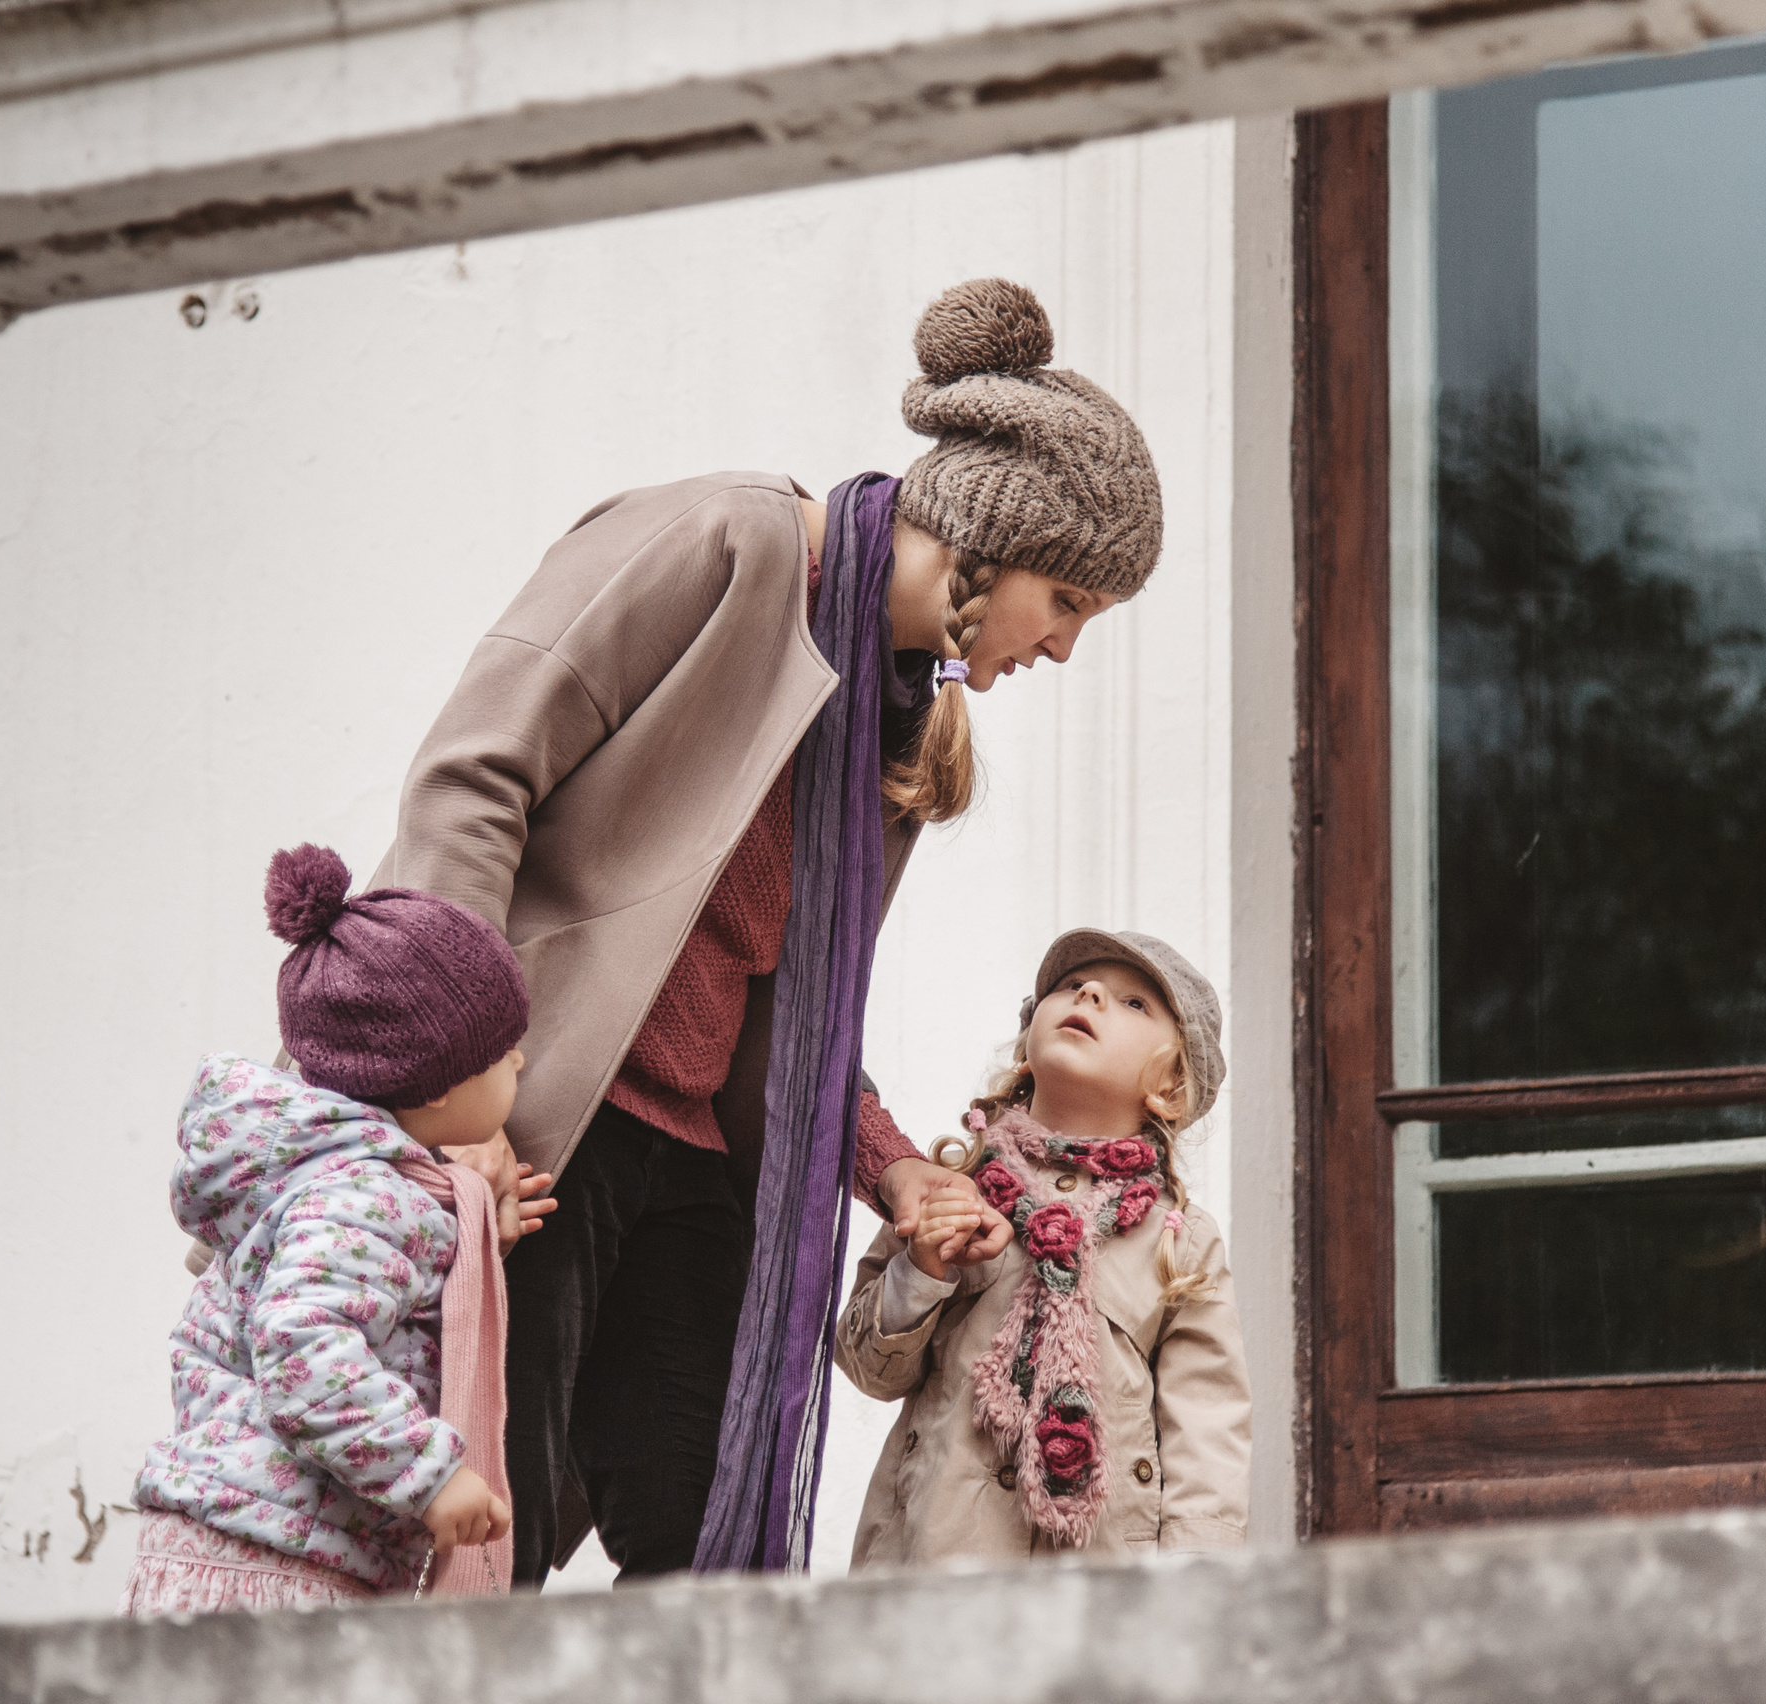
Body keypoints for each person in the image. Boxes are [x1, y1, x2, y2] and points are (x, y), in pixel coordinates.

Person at [375, 278, 1171, 1581]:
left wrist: (896, 1173)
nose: (1065, 649)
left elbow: (786, 1011)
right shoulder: (726, 540)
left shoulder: (891, 723)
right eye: (1070, 602)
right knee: (481, 1548)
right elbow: (471, 782)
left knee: (714, 1562)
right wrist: (454, 1091)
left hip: (691, 1160)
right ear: (996, 541)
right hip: (532, 1127)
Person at [121, 844, 551, 1613]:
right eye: (501, 1052)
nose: (519, 1063)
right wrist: (427, 1473)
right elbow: (302, 1348)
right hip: (273, 1567)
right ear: (436, 1083)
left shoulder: (329, 1180)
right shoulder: (363, 1196)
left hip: (258, 1539)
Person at [835, 928, 1250, 1564]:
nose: (1089, 992)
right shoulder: (950, 1185)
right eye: (1070, 985)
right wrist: (921, 1270)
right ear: (1027, 1047)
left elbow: (1207, 1429)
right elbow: (870, 1369)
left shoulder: (1180, 1240)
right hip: (931, 1568)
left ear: (1169, 1087)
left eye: (1134, 1003)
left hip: (1100, 1591)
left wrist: (1193, 1583)